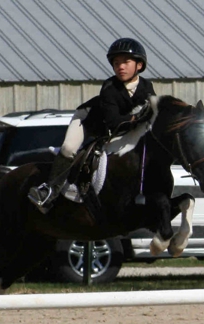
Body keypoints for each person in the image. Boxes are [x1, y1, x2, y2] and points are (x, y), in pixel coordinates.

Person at [28, 37, 156, 214]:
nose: (120, 67)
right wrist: (136, 118)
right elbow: (114, 122)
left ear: (139, 66)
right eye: (116, 63)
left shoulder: (147, 86)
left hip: (116, 127)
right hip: (87, 120)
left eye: (126, 62)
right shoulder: (110, 87)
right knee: (68, 148)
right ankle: (49, 191)